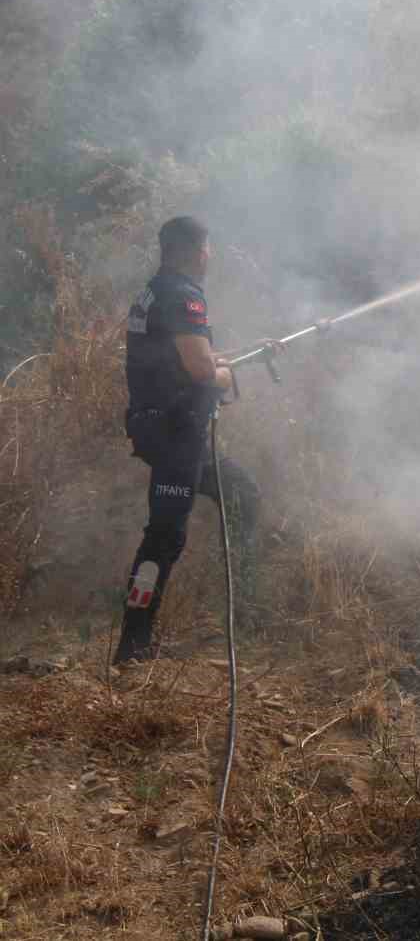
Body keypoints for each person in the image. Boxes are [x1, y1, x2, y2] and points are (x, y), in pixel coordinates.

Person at [115, 216, 260, 665]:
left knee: (241, 495)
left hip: (169, 429)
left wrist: (239, 354)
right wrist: (226, 373)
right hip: (174, 433)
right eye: (208, 249)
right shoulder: (184, 296)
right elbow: (199, 369)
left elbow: (185, 355)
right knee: (164, 538)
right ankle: (132, 647)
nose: (209, 256)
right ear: (196, 251)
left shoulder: (157, 289)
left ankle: (241, 612)